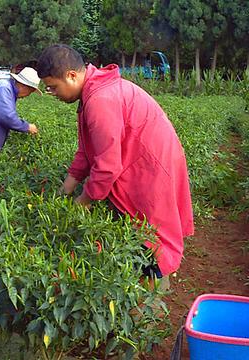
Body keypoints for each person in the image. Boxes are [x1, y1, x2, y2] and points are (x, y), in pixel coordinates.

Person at [36, 44, 194, 286]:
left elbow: (107, 166)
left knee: (149, 239)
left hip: (148, 168)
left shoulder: (100, 99)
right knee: (140, 234)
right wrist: (66, 189)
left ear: (71, 75)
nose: (53, 94)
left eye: (53, 87)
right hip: (143, 162)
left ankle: (148, 306)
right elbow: (87, 151)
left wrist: (82, 202)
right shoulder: (94, 91)